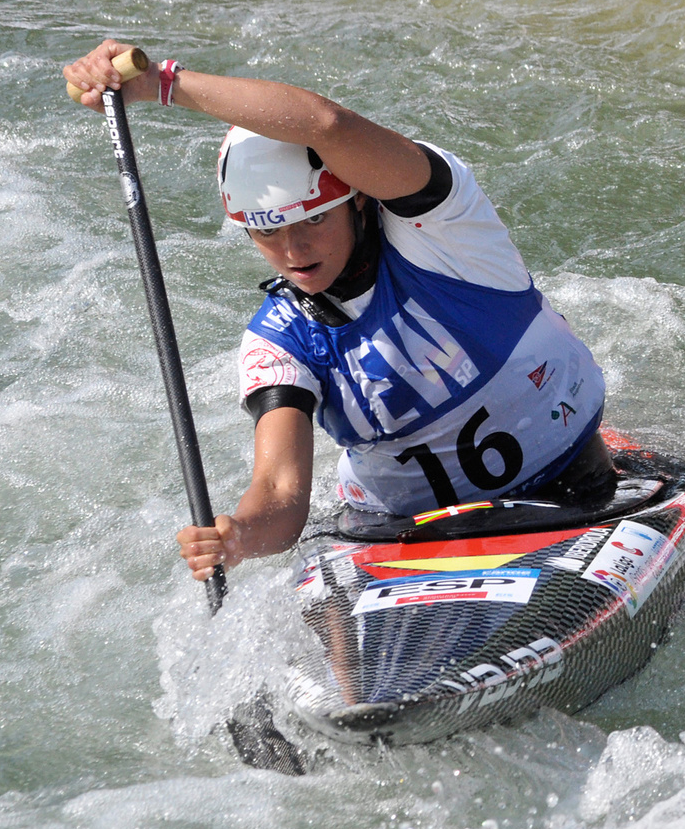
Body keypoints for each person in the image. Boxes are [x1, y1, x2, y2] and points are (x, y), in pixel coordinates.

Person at [64, 39, 614, 585]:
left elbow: (327, 125)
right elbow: (280, 495)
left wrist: (161, 84)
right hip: (396, 536)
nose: (293, 251)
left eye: (313, 220)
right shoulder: (277, 341)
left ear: (355, 199)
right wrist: (237, 536)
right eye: (268, 231)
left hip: (568, 488)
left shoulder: (445, 229)